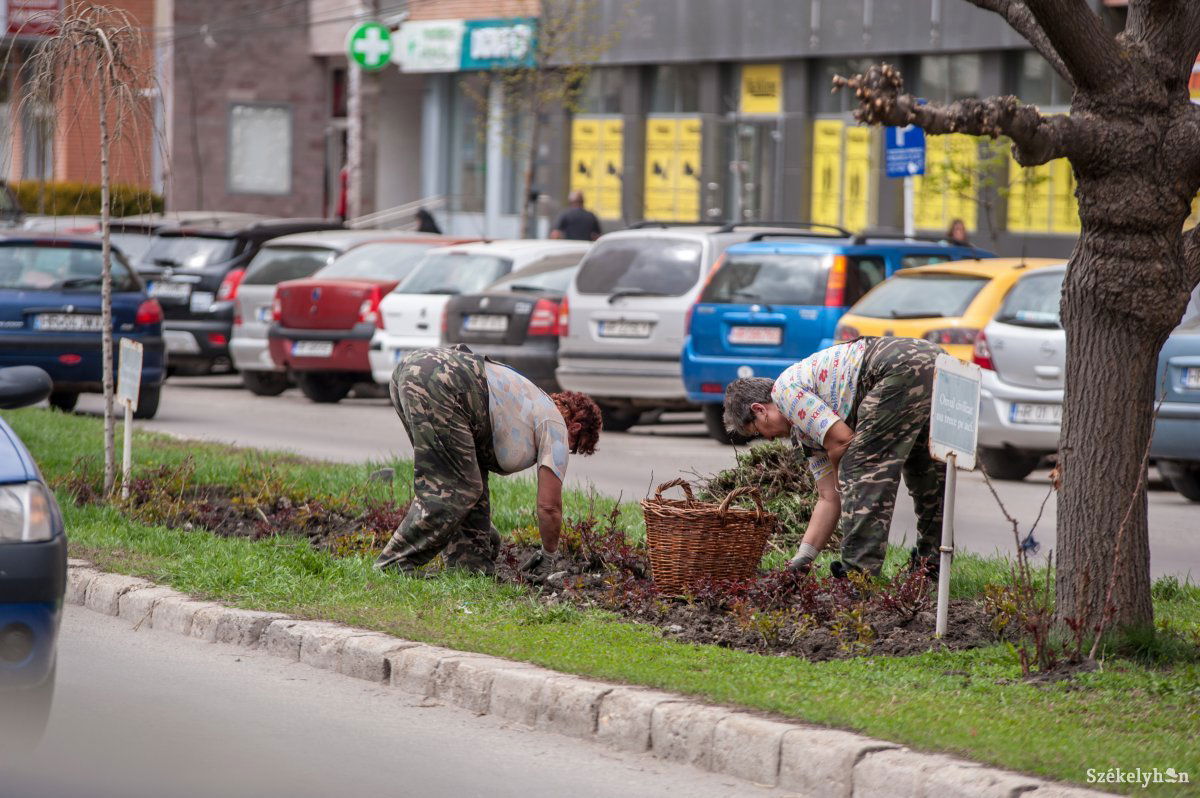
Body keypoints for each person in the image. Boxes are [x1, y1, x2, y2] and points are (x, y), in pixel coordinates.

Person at [722, 337, 945, 578]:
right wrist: (802, 560)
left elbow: (841, 441)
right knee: (924, 470)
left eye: (757, 431)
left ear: (759, 409)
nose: (767, 440)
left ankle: (857, 577)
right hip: (934, 358)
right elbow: (828, 498)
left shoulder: (786, 393)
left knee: (860, 469)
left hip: (897, 363)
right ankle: (931, 564)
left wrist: (845, 478)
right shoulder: (806, 431)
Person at [375, 345, 602, 576]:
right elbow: (549, 507)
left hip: (414, 370)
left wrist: (481, 532)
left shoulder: (527, 400)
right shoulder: (556, 424)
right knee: (455, 488)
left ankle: (470, 566)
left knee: (470, 485)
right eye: (574, 447)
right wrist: (549, 556)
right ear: (575, 427)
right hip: (441, 383)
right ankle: (394, 564)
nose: (567, 450)